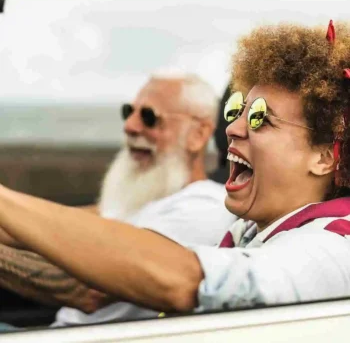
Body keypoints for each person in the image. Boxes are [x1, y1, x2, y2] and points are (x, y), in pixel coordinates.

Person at [0, 20, 349, 318]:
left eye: (260, 118)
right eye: (235, 111)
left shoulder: (333, 247)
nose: (232, 128)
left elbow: (188, 280)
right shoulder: (248, 229)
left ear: (324, 157)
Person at [0, 73, 236, 327]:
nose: (131, 126)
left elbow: (85, 289)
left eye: (149, 117)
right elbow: (43, 226)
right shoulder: (142, 199)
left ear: (198, 134)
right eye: (128, 112)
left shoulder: (201, 209)